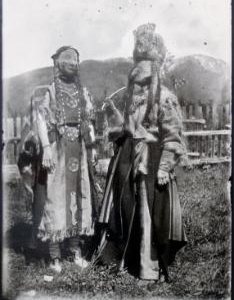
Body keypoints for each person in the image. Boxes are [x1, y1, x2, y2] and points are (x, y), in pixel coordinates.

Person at [97, 24, 187, 282]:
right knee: (127, 208)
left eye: (145, 82)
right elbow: (125, 128)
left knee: (150, 213)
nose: (140, 87)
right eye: (136, 81)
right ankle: (129, 259)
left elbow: (173, 136)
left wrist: (164, 167)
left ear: (154, 75)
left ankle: (150, 267)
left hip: (153, 161)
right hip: (127, 160)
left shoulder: (165, 98)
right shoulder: (130, 98)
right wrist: (113, 117)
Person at [18, 46, 98, 272]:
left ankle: (74, 251)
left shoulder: (83, 92)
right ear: (59, 66)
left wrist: (91, 148)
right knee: (55, 199)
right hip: (57, 149)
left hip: (79, 151)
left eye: (75, 62)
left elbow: (89, 123)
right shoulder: (51, 92)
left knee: (79, 198)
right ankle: (54, 255)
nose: (72, 65)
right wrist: (46, 148)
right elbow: (42, 121)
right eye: (68, 61)